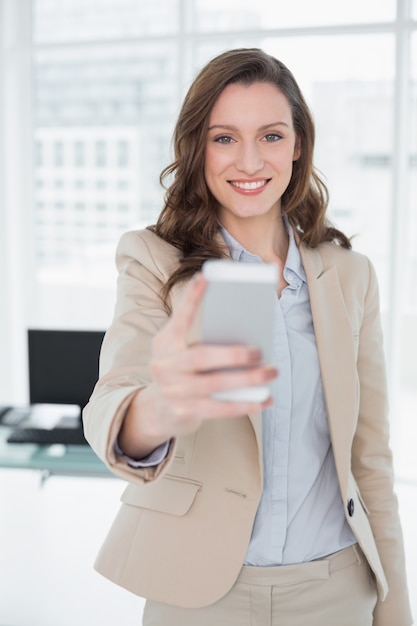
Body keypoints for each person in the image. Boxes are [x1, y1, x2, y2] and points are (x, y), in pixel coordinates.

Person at [83, 48, 413, 626]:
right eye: (224, 138)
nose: (250, 160)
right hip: (199, 590)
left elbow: (370, 461)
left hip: (336, 588)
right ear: (197, 148)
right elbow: (112, 400)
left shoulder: (349, 274)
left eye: (271, 135)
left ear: (298, 145)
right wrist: (160, 407)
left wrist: (396, 612)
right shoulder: (153, 261)